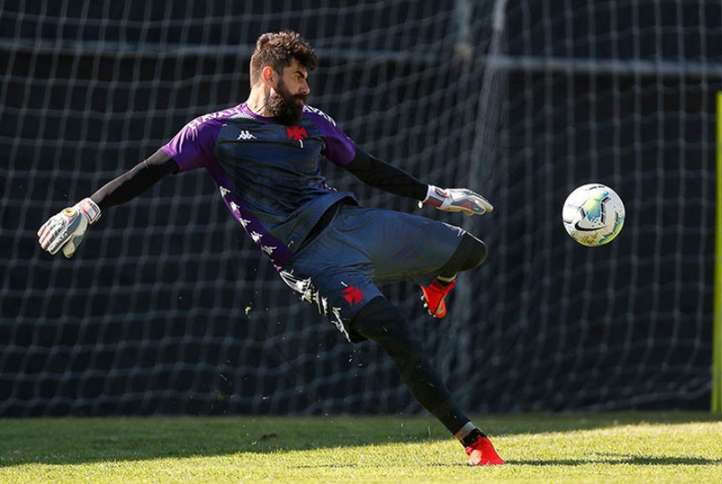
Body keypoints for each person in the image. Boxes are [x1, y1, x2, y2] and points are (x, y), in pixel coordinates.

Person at [37, 31, 503, 466]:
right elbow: (149, 169)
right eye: (299, 77)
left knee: (472, 251)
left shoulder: (315, 123)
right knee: (394, 330)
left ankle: (436, 280)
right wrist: (88, 208)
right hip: (313, 259)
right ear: (268, 74)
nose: (305, 89)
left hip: (353, 223)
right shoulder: (212, 131)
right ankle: (472, 439)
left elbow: (366, 167)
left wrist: (437, 196)